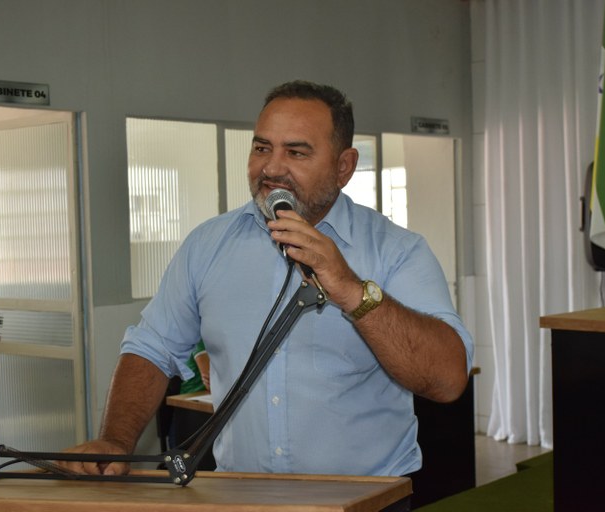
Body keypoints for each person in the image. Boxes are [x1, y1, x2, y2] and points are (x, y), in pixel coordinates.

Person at [64, 80, 473, 477]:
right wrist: (115, 440)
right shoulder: (207, 245)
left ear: (344, 166)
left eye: (296, 152)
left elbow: (448, 380)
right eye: (262, 148)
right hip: (240, 496)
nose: (272, 167)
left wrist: (351, 290)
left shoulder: (397, 251)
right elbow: (151, 349)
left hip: (364, 499)